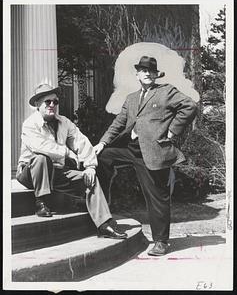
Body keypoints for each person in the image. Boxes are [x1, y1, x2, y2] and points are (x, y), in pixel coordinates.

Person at [94, 56, 197, 255]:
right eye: (143, 70)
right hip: (129, 148)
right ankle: (103, 209)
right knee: (102, 156)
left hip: (152, 152)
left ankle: (161, 242)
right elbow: (118, 123)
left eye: (151, 70)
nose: (147, 73)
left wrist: (172, 131)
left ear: (156, 74)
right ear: (137, 74)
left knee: (157, 197)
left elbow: (190, 107)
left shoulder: (166, 91)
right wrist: (102, 143)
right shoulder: (131, 98)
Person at [16, 83, 127, 239]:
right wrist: (67, 152)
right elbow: (40, 147)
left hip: (56, 172)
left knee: (91, 180)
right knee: (41, 158)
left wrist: (90, 167)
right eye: (48, 102)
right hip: (31, 173)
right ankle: (41, 202)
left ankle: (104, 225)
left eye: (55, 102)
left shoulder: (64, 122)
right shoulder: (29, 124)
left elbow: (81, 141)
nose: (52, 105)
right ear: (37, 104)